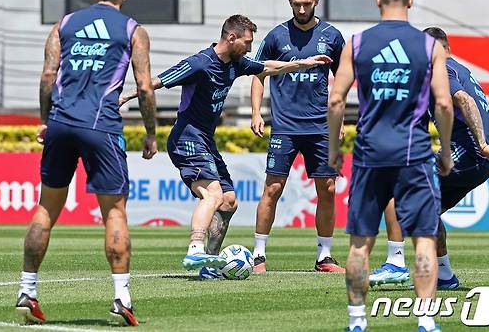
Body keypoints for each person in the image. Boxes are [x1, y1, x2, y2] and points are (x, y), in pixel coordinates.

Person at [120, 14, 332, 279]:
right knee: (213, 195)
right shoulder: (200, 63)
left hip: (205, 140)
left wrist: (302, 63)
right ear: (231, 38)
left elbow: (268, 67)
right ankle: (195, 248)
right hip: (187, 138)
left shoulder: (236, 64)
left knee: (229, 202)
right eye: (247, 42)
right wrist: (124, 96)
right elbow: (155, 82)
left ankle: (208, 265)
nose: (250, 48)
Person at [16, 0, 157, 327]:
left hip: (61, 123)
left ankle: (27, 289)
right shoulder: (132, 30)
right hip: (101, 126)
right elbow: (143, 86)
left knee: (46, 209)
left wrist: (45, 120)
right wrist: (152, 132)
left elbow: (48, 76)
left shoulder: (63, 25)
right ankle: (122, 297)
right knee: (113, 211)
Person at [327, 0, 454, 332]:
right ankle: (426, 321)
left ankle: (356, 321)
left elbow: (336, 99)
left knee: (359, 244)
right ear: (410, 1)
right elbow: (444, 105)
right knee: (424, 240)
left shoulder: (358, 43)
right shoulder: (430, 46)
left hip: (369, 154)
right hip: (414, 153)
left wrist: (335, 148)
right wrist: (445, 150)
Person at [369, 27, 489, 289]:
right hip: (477, 160)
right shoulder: (460, 69)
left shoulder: (442, 70)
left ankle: (395, 263)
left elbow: (464, 100)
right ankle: (444, 276)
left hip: (468, 154)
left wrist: (482, 143)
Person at [250, 0, 346, 274]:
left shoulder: (332, 35)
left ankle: (324, 257)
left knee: (327, 189)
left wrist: (339, 120)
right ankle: (258, 255)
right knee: (273, 187)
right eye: (296, 3)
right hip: (285, 126)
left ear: (316, 2)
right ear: (289, 2)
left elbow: (344, 78)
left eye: (307, 4)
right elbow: (257, 73)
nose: (302, 8)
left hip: (320, 127)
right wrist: (256, 112)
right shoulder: (277, 36)